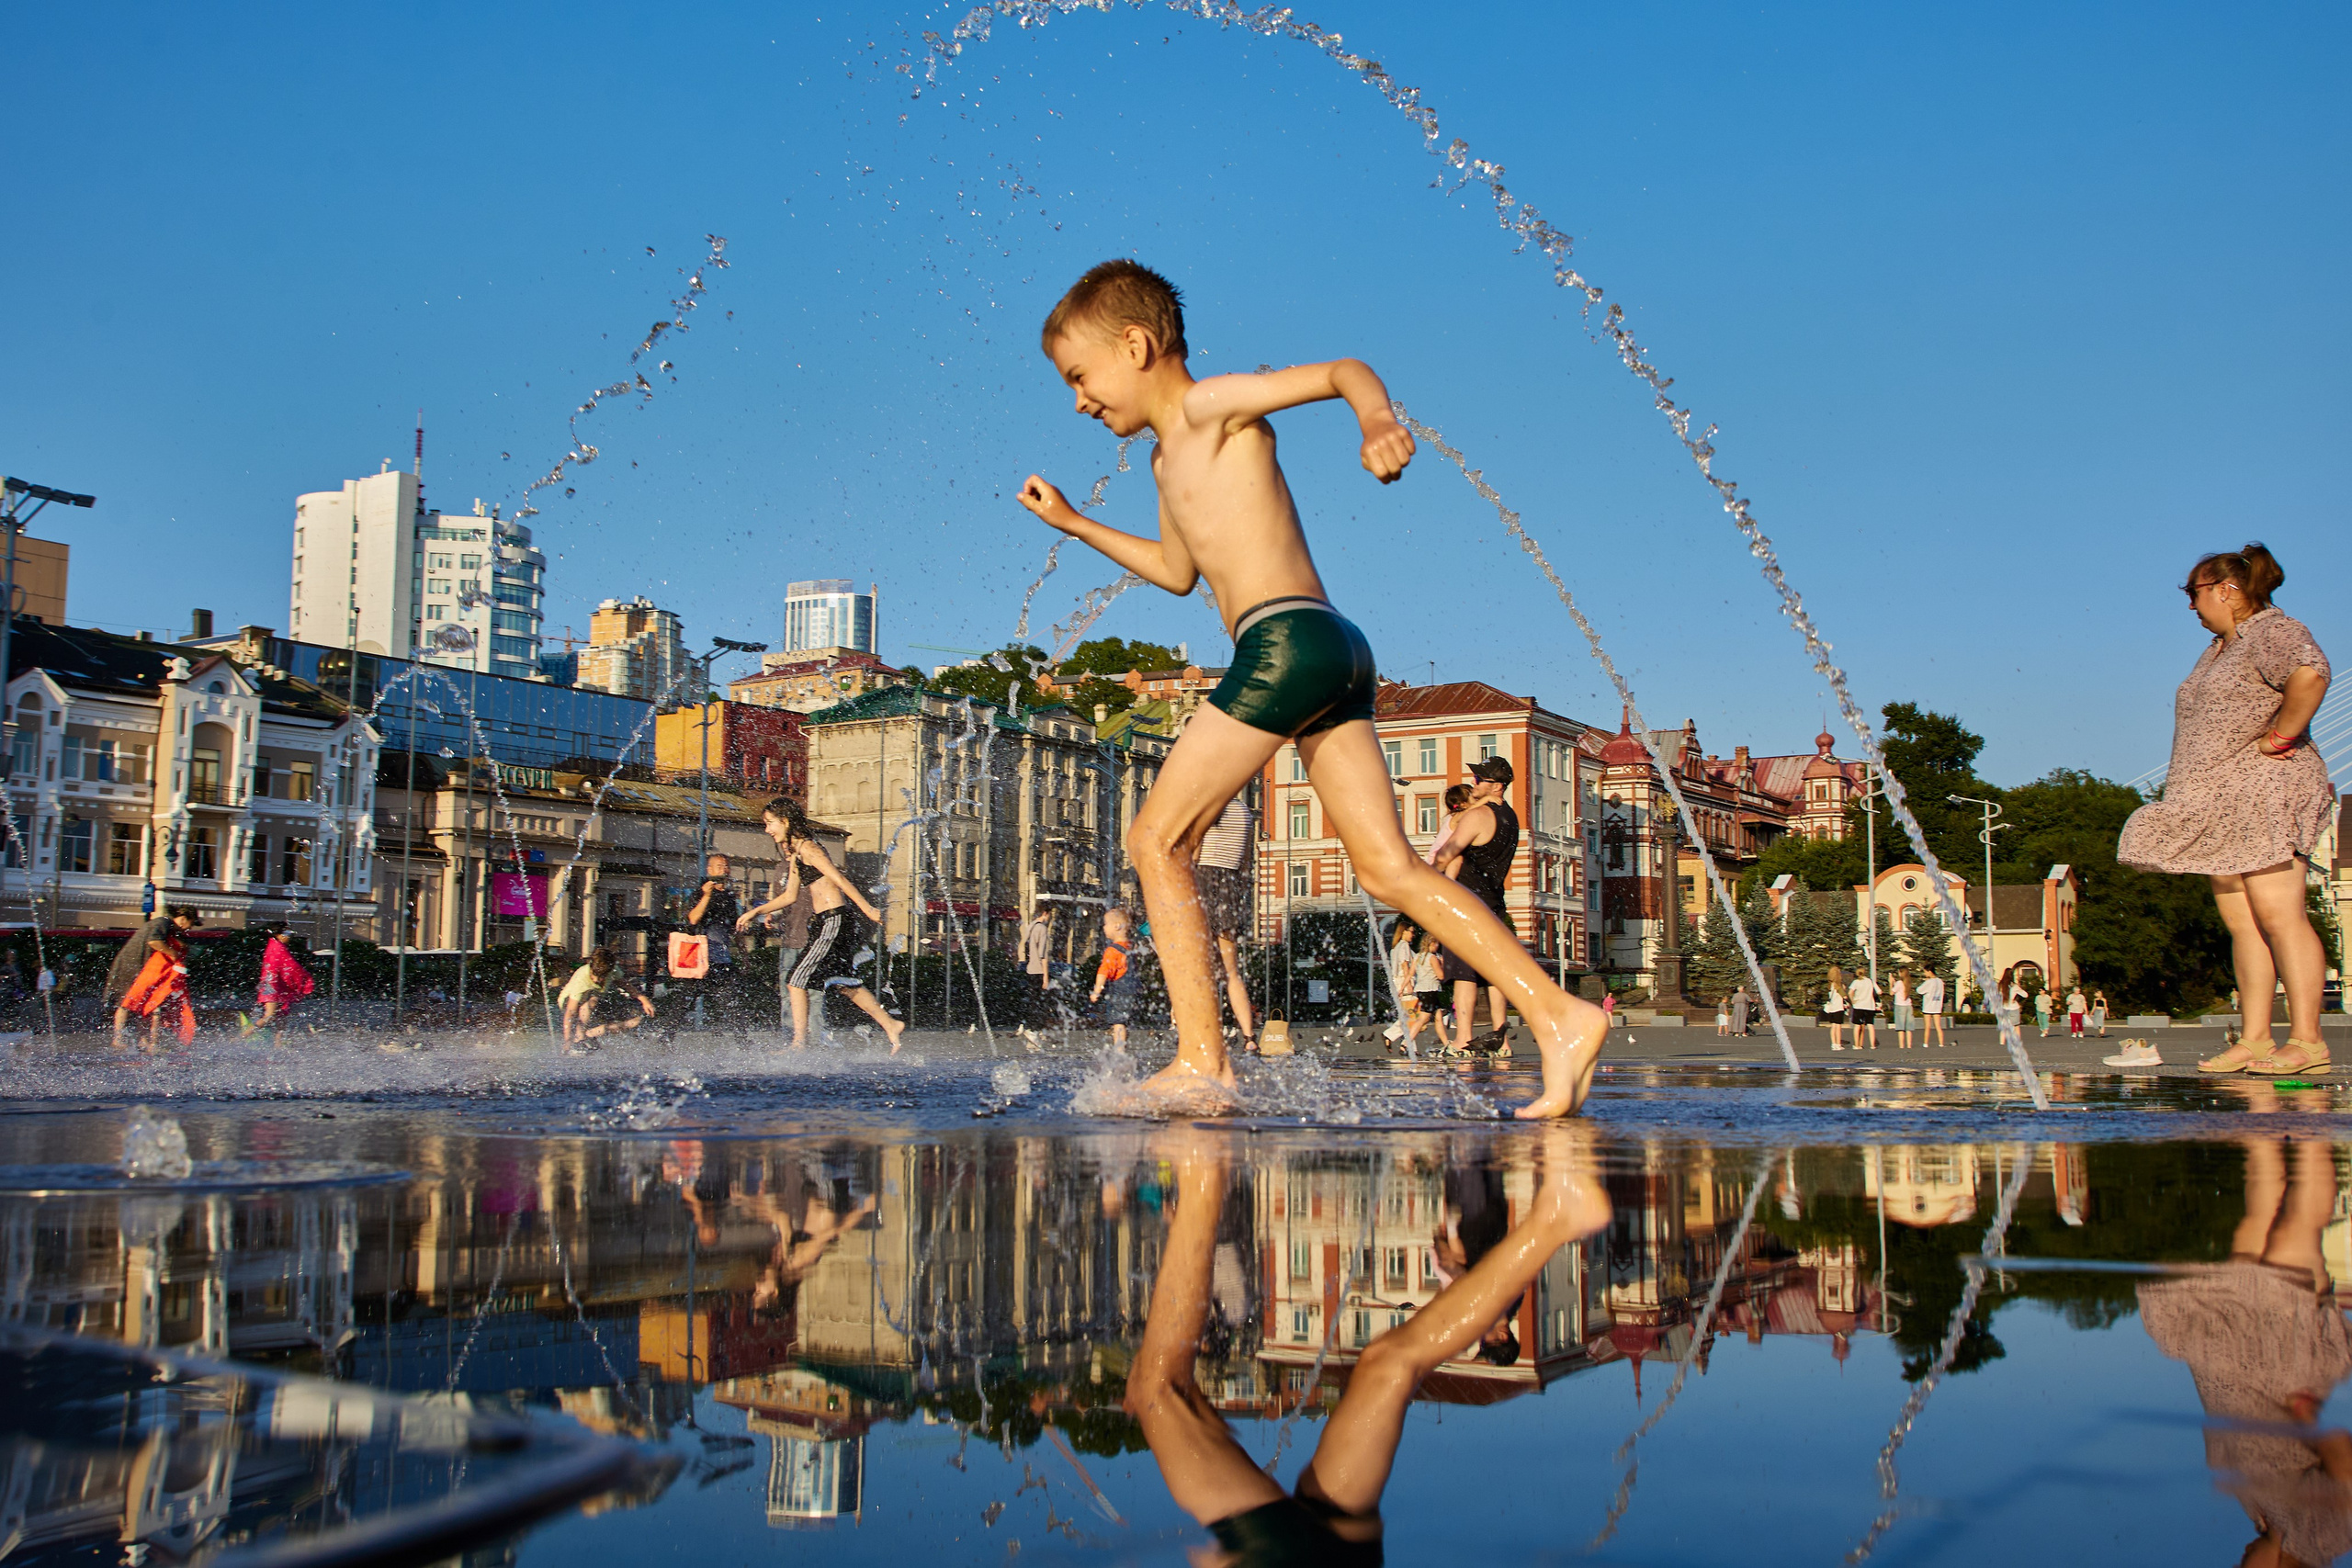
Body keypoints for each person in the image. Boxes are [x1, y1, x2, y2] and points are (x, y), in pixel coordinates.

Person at [1015, 260, 1605, 1117]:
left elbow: (1340, 372)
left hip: (1284, 642)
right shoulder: (1163, 461)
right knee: (1392, 867)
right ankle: (1561, 1015)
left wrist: (1376, 422)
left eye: (1079, 376)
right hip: (1334, 649)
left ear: (1136, 346)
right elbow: (1178, 572)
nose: (1077, 400)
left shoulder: (1212, 406)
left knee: (1155, 842)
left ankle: (1202, 1060)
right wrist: (1073, 522)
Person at [1122, 1125, 1608, 1566]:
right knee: (1156, 1390)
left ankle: (1557, 1219)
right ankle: (1202, 1168)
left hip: (1350, 1556)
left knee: (1390, 1364)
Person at [2119, 544, 2335, 1077]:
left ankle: (2307, 1041)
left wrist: (2280, 738)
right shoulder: (2222, 647)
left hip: (2267, 792)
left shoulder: (2270, 629)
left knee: (2280, 914)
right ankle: (2256, 1039)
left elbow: (2312, 673)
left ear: (2225, 589)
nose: (2190, 606)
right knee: (2243, 923)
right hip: (2221, 803)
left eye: (2193, 593)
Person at [2139, 1134, 2352, 1568]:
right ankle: (2310, 1115)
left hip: (2238, 1358)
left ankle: (2264, 1119)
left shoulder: (2262, 1517)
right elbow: (2346, 1469)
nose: (2239, 1561)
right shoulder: (2318, 1539)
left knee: (2258, 1221)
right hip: (2285, 1365)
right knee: (2298, 1229)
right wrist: (2310, 1422)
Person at [748, 796, 905, 1052]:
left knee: (795, 980)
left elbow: (840, 881)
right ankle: (890, 1024)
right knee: (843, 982)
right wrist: (755, 912)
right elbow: (789, 896)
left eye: (770, 823)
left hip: (834, 919)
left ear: (785, 821)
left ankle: (799, 1043)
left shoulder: (810, 849)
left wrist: (867, 908)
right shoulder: (797, 854)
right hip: (826, 922)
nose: (767, 830)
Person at [1425, 759, 1522, 1059]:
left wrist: (1425, 878)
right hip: (1495, 904)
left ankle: (1463, 1040)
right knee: (1494, 975)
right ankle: (1502, 1041)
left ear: (1496, 785)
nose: (1474, 782)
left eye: (1479, 778)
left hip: (1466, 905)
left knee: (1464, 975)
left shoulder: (1477, 816)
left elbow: (1445, 856)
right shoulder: (1511, 818)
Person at [1193, 795, 1259, 1051]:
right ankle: (1249, 1037)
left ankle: (1205, 1035)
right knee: (1232, 972)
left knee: (1199, 968)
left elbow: (1195, 853)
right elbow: (1245, 862)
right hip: (1229, 887)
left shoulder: (1208, 804)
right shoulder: (1244, 811)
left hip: (1204, 880)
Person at [107, 905, 197, 1048]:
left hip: (142, 968)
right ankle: (118, 1039)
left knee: (145, 1004)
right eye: (190, 924)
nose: (189, 928)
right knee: (126, 1003)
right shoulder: (163, 922)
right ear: (183, 919)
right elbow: (154, 941)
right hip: (131, 966)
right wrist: (173, 954)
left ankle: (142, 1040)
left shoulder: (168, 927)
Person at [742, 865, 815, 1032]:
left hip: (812, 940)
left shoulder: (812, 862)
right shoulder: (781, 869)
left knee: (813, 993)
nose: (784, 846)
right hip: (789, 942)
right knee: (787, 991)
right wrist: (772, 914)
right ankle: (791, 1037)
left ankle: (816, 1037)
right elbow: (782, 900)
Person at [682, 852, 742, 1027]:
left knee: (730, 1000)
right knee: (685, 1000)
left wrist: (743, 954)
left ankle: (743, 1041)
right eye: (719, 866)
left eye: (726, 866)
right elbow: (692, 919)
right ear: (709, 870)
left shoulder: (730, 897)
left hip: (721, 959)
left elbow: (734, 928)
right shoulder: (700, 893)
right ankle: (666, 1036)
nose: (724, 870)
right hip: (700, 958)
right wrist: (706, 896)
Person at [559, 945, 655, 1047]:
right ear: (591, 967)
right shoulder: (582, 978)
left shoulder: (612, 969)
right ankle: (579, 1039)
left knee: (635, 1021)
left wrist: (644, 1000)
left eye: (601, 977)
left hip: (594, 1005)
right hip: (568, 1003)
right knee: (593, 998)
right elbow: (570, 1013)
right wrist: (567, 1042)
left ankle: (590, 1034)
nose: (596, 980)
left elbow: (625, 984)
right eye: (594, 975)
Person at [238, 922, 314, 1042]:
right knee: (270, 1015)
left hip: (273, 986)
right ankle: (238, 1039)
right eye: (286, 933)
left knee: (282, 1019)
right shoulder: (278, 949)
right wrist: (306, 979)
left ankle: (278, 1046)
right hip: (272, 987)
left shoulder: (274, 946)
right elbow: (292, 967)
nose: (289, 936)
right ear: (278, 934)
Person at [1091, 907, 1142, 1047]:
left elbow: (1103, 972)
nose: (1104, 927)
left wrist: (1097, 991)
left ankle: (1119, 1053)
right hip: (1134, 991)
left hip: (1120, 992)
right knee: (1125, 1022)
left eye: (1106, 924)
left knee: (1118, 1023)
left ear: (1117, 926)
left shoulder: (1112, 950)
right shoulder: (1131, 946)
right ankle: (1124, 1048)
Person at [1848, 967, 1880, 1050]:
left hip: (1859, 1005)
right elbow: (1879, 991)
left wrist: (1853, 1000)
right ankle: (1873, 1045)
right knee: (1870, 1025)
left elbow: (1850, 993)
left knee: (1857, 1025)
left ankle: (1857, 1045)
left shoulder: (1856, 982)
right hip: (1870, 1005)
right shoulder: (1870, 981)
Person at [1821, 964, 1849, 1052]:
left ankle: (1833, 1044)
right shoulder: (1838, 987)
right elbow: (1844, 997)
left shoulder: (1830, 986)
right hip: (1838, 1008)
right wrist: (1844, 990)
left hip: (1832, 1008)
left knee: (1833, 1027)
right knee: (1838, 1027)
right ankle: (1838, 1044)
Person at [1919, 968, 1947, 1047]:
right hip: (1937, 1006)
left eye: (1925, 972)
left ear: (1929, 971)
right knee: (1938, 1026)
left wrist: (1926, 981)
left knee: (1927, 1026)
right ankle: (1941, 1043)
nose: (1925, 974)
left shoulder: (1929, 982)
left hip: (1928, 1006)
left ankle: (1925, 1043)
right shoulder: (1940, 981)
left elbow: (1919, 990)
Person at [1890, 968, 1916, 1049]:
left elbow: (1891, 993)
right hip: (1908, 1005)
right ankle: (1909, 1045)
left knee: (1901, 1027)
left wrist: (1891, 983)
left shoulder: (1899, 983)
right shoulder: (1908, 983)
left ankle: (1901, 1046)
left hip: (1900, 1006)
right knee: (1908, 1028)